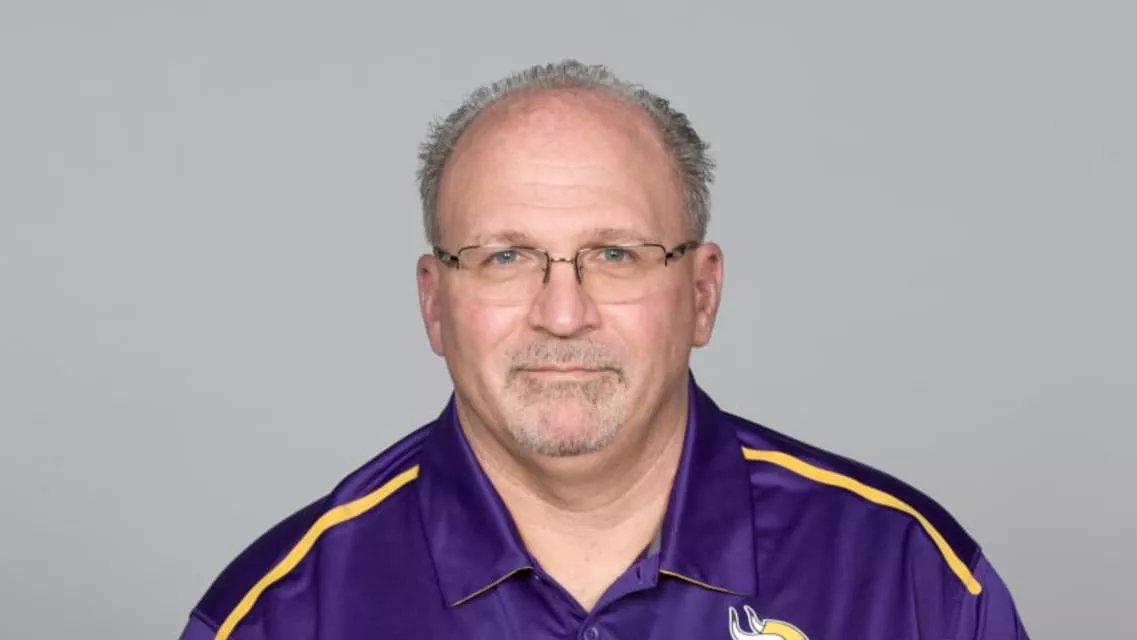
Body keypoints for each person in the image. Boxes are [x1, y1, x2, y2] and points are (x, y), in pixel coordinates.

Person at [178, 60, 1030, 640]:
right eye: (504, 257)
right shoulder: (283, 615)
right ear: (434, 304)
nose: (562, 314)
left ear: (701, 293)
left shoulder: (904, 578)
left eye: (615, 254)